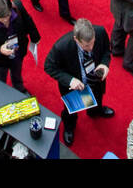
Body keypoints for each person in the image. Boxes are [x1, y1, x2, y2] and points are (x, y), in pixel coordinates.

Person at [43, 18, 116, 147]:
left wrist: (105, 65)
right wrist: (70, 80)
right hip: (74, 87)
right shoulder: (61, 47)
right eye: (86, 46)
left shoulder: (100, 32)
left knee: (97, 97)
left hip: (95, 80)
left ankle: (95, 111)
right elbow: (49, 66)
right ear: (76, 39)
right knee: (71, 110)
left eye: (93, 43)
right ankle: (69, 127)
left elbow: (106, 51)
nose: (91, 48)